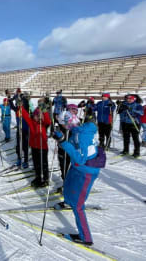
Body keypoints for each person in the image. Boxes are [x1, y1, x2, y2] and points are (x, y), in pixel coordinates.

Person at [52, 110, 105, 246]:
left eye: (62, 124)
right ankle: (68, 201)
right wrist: (62, 141)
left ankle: (86, 237)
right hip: (78, 168)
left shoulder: (81, 135)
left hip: (86, 170)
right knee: (68, 184)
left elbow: (80, 158)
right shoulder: (77, 131)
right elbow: (72, 147)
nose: (62, 127)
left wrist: (64, 142)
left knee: (78, 205)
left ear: (68, 123)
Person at [21, 105, 51, 188]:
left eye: (39, 116)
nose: (37, 117)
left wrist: (44, 112)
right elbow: (25, 115)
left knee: (43, 164)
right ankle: (38, 177)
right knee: (36, 163)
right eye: (36, 115)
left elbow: (48, 121)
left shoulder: (44, 124)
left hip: (43, 147)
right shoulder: (31, 122)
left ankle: (45, 179)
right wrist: (21, 106)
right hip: (34, 147)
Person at [56, 104, 80, 192]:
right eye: (72, 110)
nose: (74, 111)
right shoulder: (63, 119)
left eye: (75, 110)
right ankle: (65, 183)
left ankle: (71, 184)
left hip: (72, 149)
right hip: (62, 148)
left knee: (71, 166)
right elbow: (60, 123)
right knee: (63, 166)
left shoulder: (76, 122)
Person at [10, 92, 30, 168]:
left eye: (20, 102)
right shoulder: (17, 109)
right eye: (18, 103)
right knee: (18, 145)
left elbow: (26, 102)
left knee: (25, 146)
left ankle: (26, 160)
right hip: (19, 129)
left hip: (25, 129)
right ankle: (19, 158)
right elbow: (11, 105)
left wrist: (22, 97)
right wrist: (11, 98)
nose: (19, 104)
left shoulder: (26, 108)